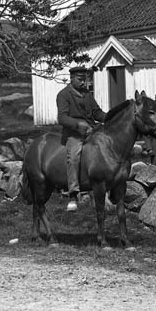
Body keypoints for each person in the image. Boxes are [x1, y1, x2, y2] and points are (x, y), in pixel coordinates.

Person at [56, 66, 106, 212]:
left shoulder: (87, 94)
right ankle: (73, 193)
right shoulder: (63, 95)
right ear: (72, 79)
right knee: (74, 156)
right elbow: (62, 118)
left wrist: (109, 117)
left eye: (85, 79)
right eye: (80, 80)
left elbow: (96, 112)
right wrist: (78, 125)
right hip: (74, 133)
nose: (84, 83)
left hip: (92, 130)